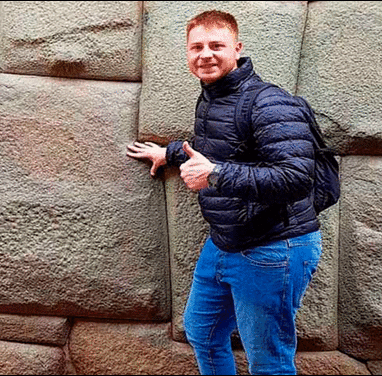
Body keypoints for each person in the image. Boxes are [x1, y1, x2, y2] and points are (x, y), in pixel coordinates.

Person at [127, 10, 322, 375]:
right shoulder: (213, 96)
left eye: (216, 45)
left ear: (237, 49)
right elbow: (217, 146)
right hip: (227, 240)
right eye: (196, 47)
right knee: (203, 332)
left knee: (269, 362)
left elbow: (297, 178)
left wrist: (215, 174)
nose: (205, 54)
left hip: (274, 247)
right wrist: (168, 154)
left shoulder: (268, 102)